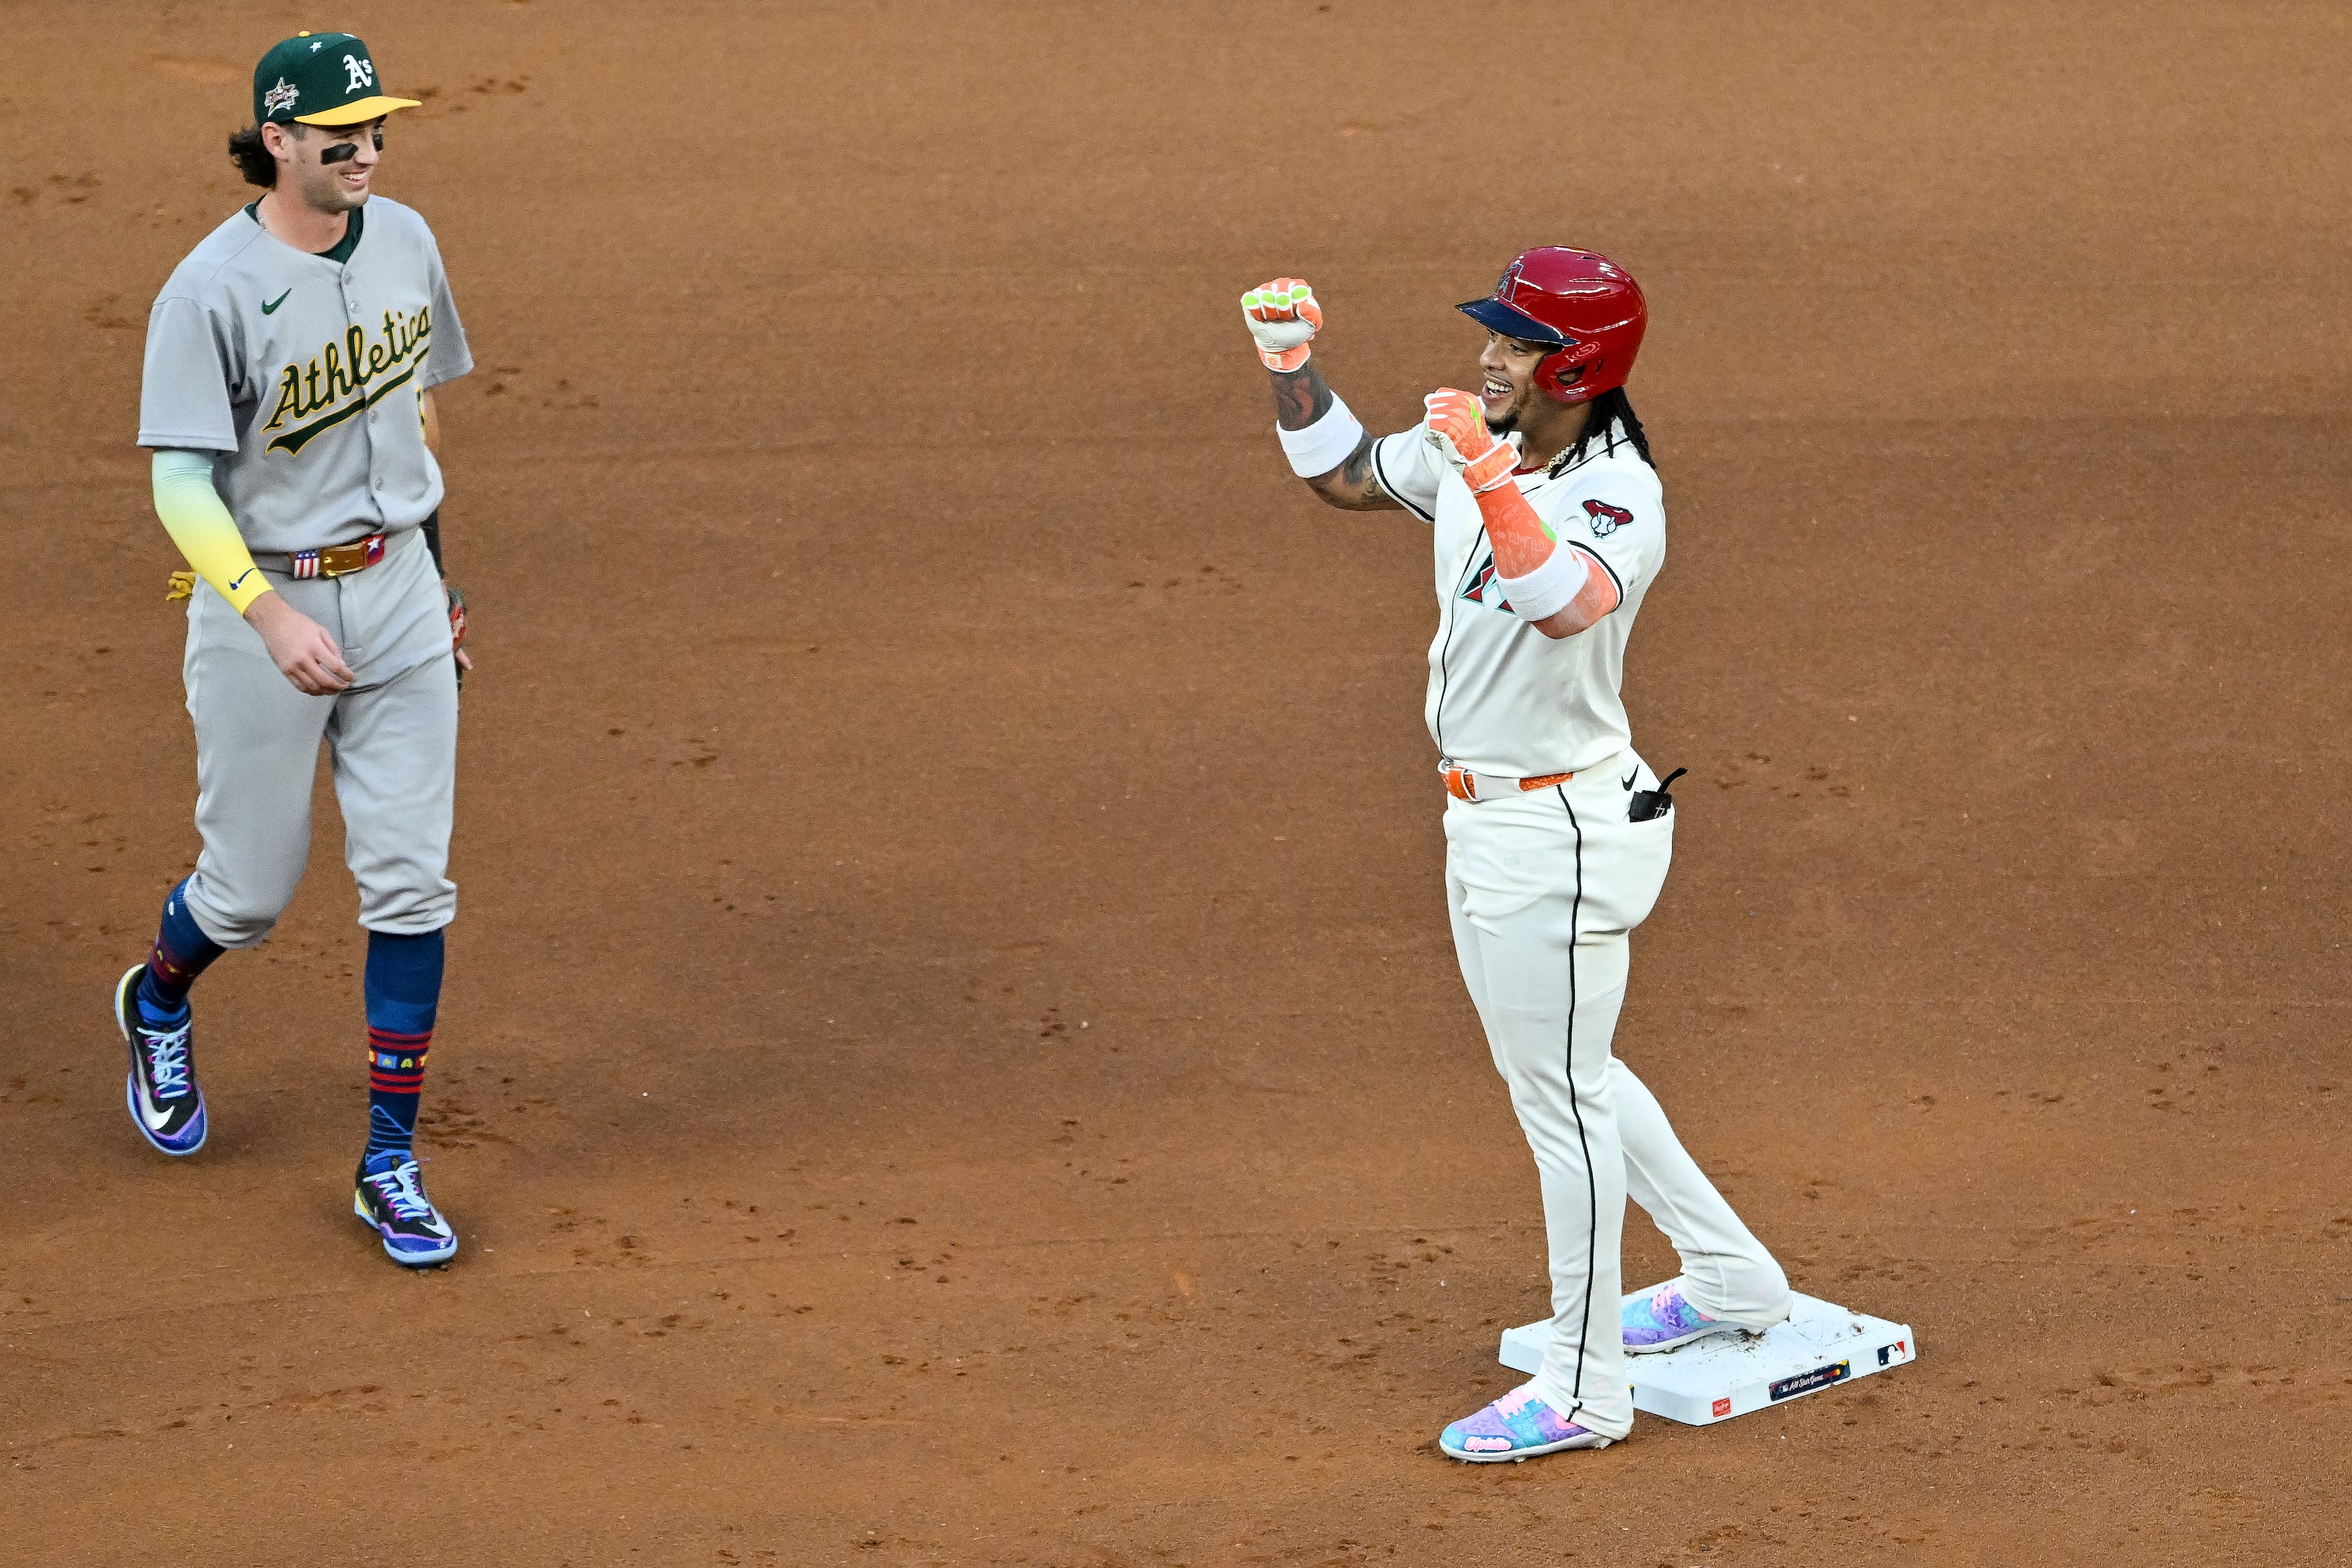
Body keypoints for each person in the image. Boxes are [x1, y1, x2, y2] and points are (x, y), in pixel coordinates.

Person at [1240, 251, 1793, 1460]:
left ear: (1577, 366)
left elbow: (1566, 602)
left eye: (1517, 341)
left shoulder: (1617, 495)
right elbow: (1341, 475)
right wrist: (1293, 364)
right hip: (1488, 818)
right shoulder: (1470, 444)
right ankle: (1734, 1278)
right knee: (1567, 1073)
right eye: (1493, 334)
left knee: (1563, 1105)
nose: (1489, 354)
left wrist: (1486, 470)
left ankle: (1584, 1389)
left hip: (1563, 832)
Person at [124, 31, 474, 1266]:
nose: (367, 149)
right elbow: (179, 487)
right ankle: (159, 993)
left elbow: (418, 418)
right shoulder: (208, 289)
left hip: (398, 599)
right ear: (278, 142)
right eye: (342, 136)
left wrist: (445, 585)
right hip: (254, 601)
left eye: (377, 128)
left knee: (412, 882)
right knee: (250, 891)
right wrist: (269, 619)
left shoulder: (412, 242)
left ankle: (390, 1158)